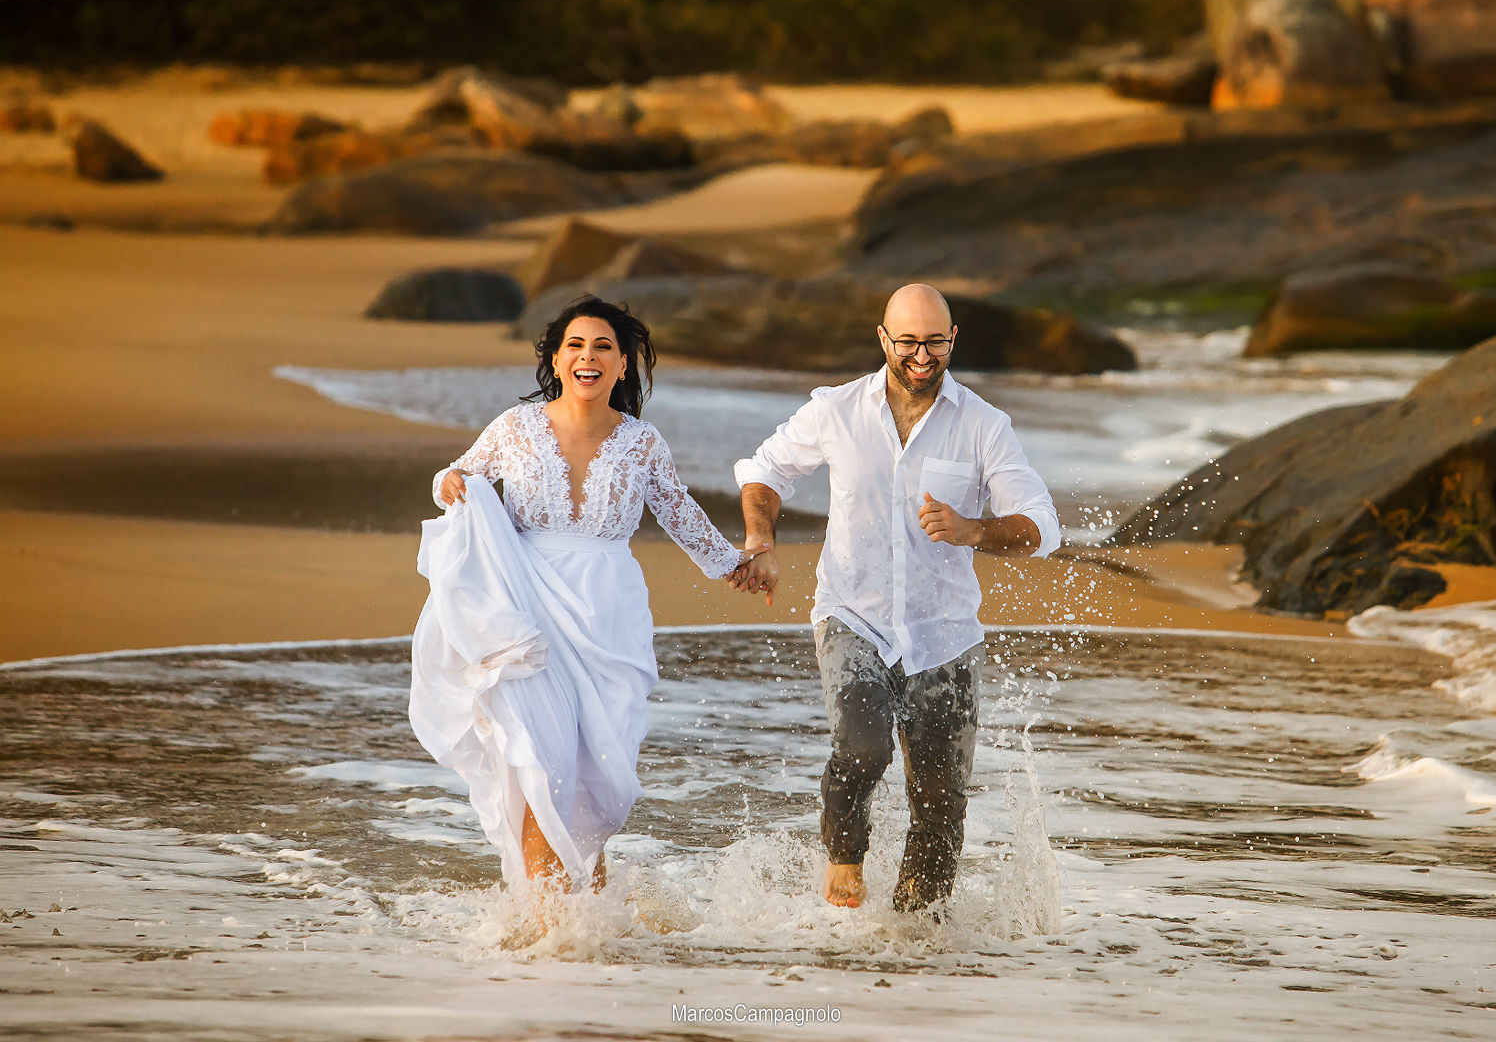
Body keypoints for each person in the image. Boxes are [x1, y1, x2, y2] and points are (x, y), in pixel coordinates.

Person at [412, 294, 760, 907]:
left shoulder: (643, 443)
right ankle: (550, 933)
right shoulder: (515, 428)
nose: (588, 358)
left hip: (609, 621)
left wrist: (732, 564)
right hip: (527, 614)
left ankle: (589, 919)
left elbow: (679, 511)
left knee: (596, 776)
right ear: (555, 357)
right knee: (542, 764)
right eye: (575, 345)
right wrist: (450, 482)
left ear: (623, 365)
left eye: (603, 347)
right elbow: (454, 478)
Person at [731, 283, 1060, 914]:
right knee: (863, 747)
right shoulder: (835, 411)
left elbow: (1043, 525)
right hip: (852, 616)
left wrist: (973, 530)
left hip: (945, 633)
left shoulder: (985, 426)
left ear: (953, 340)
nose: (921, 354)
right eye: (907, 340)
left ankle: (913, 941)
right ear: (883, 338)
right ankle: (845, 857)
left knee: (940, 805)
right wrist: (759, 537)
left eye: (935, 341)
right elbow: (765, 470)